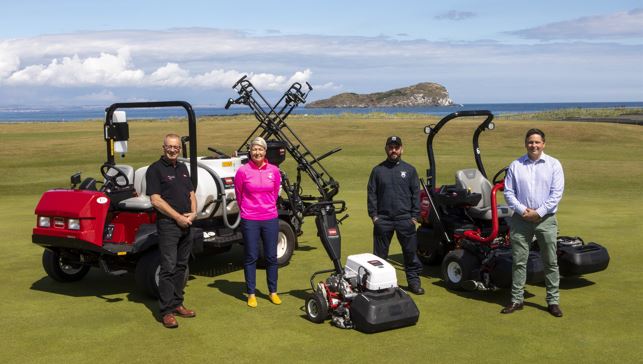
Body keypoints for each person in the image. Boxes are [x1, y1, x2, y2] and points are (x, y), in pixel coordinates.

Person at [503, 128, 565, 317]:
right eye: (530, 142)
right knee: (519, 261)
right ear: (526, 144)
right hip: (521, 220)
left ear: (543, 144)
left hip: (545, 220)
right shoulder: (516, 165)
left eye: (537, 142)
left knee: (550, 261)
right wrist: (523, 211)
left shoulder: (554, 164)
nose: (534, 145)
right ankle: (517, 299)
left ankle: (553, 301)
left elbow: (556, 194)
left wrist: (538, 213)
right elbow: (508, 192)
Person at [146, 133, 197, 328]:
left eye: (176, 147)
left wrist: (193, 213)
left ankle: (177, 304)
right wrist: (178, 217)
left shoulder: (183, 168)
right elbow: (156, 200)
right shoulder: (155, 170)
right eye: (170, 147)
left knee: (181, 266)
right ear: (163, 147)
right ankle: (166, 311)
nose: (173, 150)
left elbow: (191, 193)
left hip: (187, 223)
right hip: (169, 225)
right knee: (168, 267)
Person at [367, 136, 425, 295]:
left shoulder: (410, 170)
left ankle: (413, 283)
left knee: (410, 254)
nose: (394, 150)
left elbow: (416, 195)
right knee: (379, 257)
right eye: (391, 147)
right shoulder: (378, 171)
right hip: (383, 220)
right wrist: (374, 216)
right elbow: (372, 194)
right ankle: (380, 285)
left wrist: (414, 217)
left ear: (401, 149)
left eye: (396, 147)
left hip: (405, 219)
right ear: (386, 149)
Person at [234, 136, 283, 308]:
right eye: (254, 149)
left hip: (270, 217)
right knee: (251, 256)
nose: (257, 152)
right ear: (250, 151)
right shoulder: (243, 171)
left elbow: (275, 192)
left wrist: (266, 207)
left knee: (271, 256)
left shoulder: (274, 170)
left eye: (260, 149)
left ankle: (273, 292)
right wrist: (248, 210)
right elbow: (239, 195)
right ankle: (251, 293)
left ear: (265, 151)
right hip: (250, 219)